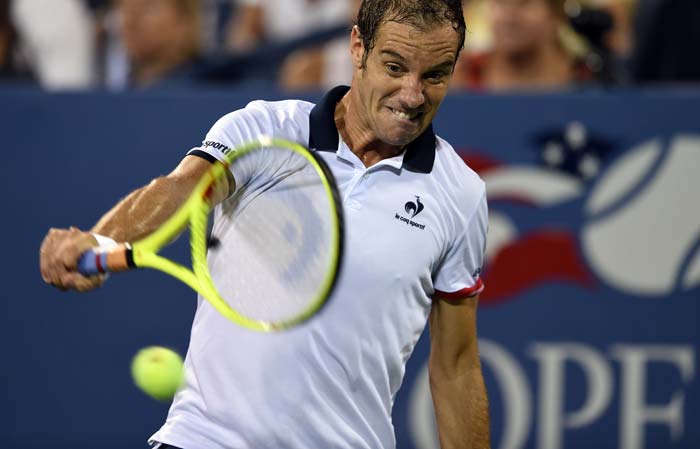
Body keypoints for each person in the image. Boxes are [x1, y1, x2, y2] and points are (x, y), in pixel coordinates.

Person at [39, 1, 490, 448]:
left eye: (435, 76)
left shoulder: (460, 194)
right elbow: (181, 189)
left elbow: (455, 366)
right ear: (358, 47)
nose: (412, 95)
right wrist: (103, 238)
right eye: (395, 67)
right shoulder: (265, 129)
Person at [453, 0, 593, 91]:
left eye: (524, 3)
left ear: (556, 15)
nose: (509, 18)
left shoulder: (586, 74)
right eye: (500, 3)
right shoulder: (463, 74)